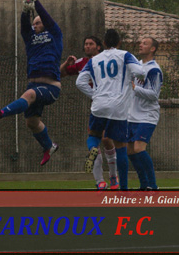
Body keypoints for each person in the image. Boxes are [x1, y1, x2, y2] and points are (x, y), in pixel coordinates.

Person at [0, 0, 62, 165]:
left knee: (29, 96)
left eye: (38, 23)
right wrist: (24, 12)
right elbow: (24, 27)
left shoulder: (54, 35)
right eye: (34, 23)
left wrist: (36, 1)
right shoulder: (30, 39)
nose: (35, 25)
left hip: (51, 87)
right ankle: (48, 146)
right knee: (32, 122)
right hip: (34, 85)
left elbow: (47, 19)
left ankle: (0, 113)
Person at [76, 29, 145, 190]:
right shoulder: (125, 55)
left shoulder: (94, 60)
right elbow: (140, 73)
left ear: (104, 43)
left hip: (99, 105)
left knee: (93, 136)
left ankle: (93, 149)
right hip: (118, 107)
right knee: (120, 146)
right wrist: (132, 79)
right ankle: (123, 188)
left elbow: (80, 82)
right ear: (119, 42)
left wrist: (95, 94)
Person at [61, 36, 120, 190]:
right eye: (85, 44)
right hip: (108, 104)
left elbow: (70, 79)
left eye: (91, 44)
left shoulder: (97, 61)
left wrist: (95, 94)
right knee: (107, 139)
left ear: (99, 47)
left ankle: (100, 181)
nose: (87, 46)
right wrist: (67, 63)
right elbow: (61, 73)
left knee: (96, 139)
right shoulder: (84, 62)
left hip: (99, 104)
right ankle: (113, 179)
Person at [128, 37, 162, 190]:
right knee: (130, 151)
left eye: (145, 43)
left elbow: (154, 94)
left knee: (139, 148)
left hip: (147, 115)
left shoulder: (154, 69)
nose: (140, 44)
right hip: (131, 114)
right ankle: (143, 185)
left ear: (153, 49)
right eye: (140, 42)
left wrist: (135, 88)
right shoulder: (136, 66)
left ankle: (153, 186)